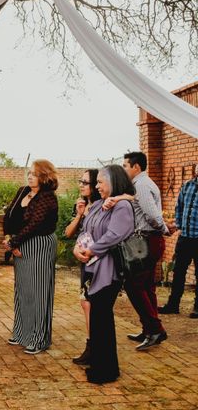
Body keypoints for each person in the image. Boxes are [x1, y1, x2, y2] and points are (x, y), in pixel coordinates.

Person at [74, 165, 135, 384]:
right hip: (92, 268)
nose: (97, 186)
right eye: (96, 182)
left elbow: (115, 234)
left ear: (114, 181)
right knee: (99, 320)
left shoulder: (122, 206)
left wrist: (92, 250)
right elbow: (85, 230)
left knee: (102, 319)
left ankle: (106, 370)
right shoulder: (100, 204)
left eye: (100, 181)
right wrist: (77, 248)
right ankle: (101, 366)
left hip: (109, 271)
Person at [107, 151, 168, 349]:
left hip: (147, 241)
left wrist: (165, 229)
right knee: (147, 285)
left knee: (134, 285)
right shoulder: (141, 184)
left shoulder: (141, 184)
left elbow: (151, 215)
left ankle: (155, 329)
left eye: (125, 165)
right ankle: (149, 330)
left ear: (136, 167)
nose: (124, 169)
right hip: (148, 240)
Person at [3, 159, 58, 355]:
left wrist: (14, 242)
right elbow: (8, 215)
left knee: (39, 292)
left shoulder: (47, 198)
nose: (30, 177)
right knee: (22, 291)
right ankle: (22, 333)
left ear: (44, 177)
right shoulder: (22, 191)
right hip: (20, 243)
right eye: (29, 173)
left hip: (40, 245)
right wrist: (9, 237)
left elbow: (35, 225)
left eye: (34, 174)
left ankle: (39, 338)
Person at [64, 169, 101, 365]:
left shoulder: (104, 205)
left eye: (85, 182)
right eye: (80, 181)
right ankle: (91, 344)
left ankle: (94, 345)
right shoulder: (82, 205)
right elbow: (69, 232)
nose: (81, 185)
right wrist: (79, 215)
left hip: (99, 261)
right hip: (84, 261)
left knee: (92, 303)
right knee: (85, 302)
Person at [159, 164, 198, 318]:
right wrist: (181, 225)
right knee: (178, 271)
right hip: (185, 238)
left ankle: (197, 308)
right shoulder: (187, 185)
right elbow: (179, 207)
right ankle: (173, 304)